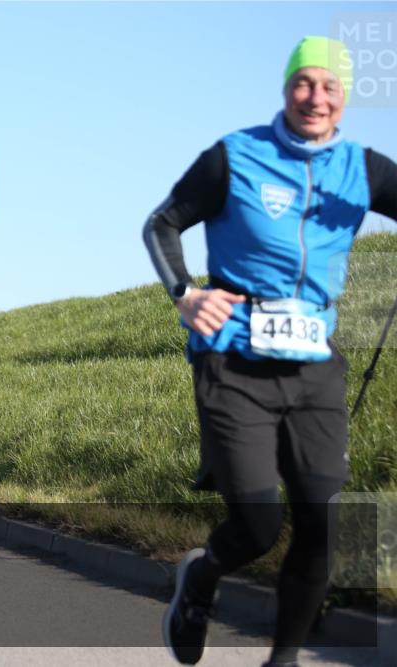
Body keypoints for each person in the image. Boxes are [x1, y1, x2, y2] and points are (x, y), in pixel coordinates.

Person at [143, 37, 397, 667]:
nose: (315, 97)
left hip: (314, 366)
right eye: (303, 84)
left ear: (345, 100)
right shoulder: (238, 156)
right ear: (286, 90)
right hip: (233, 359)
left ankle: (281, 661)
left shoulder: (362, 170)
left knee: (322, 522)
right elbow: (163, 222)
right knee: (259, 526)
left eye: (329, 87)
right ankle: (201, 578)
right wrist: (184, 294)